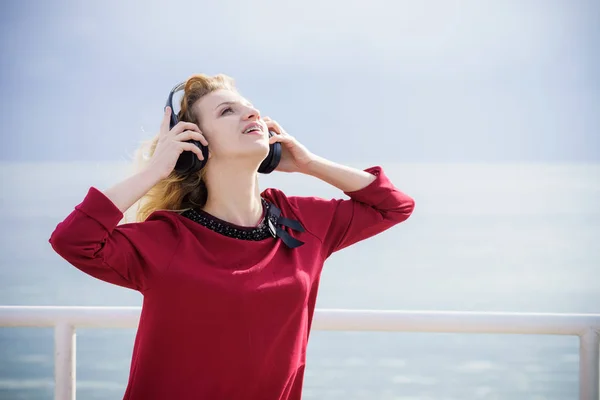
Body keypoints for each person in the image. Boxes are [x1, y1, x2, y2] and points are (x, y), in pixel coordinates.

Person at [49, 73, 416, 400]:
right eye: (227, 112)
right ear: (195, 143)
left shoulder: (304, 221)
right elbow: (74, 240)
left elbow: (393, 206)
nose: (252, 115)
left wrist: (309, 163)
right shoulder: (166, 239)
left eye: (251, 108)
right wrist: (157, 169)